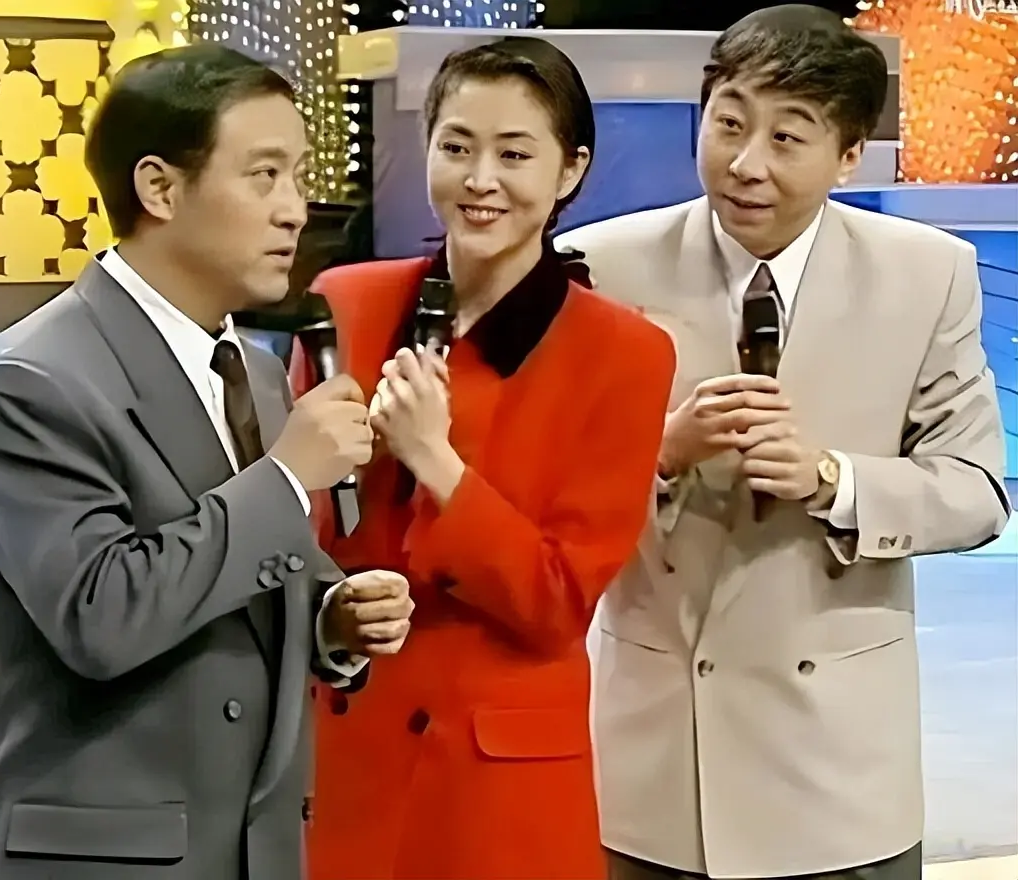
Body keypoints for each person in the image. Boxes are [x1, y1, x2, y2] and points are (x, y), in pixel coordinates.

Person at [556, 7, 1011, 880]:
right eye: (729, 124)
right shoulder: (597, 267)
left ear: (849, 155)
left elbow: (974, 491)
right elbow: (544, 489)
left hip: (840, 776)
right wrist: (660, 451)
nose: (746, 164)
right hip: (654, 770)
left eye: (788, 138)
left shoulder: (928, 273)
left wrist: (834, 480)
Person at [0, 44, 414, 880]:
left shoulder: (256, 374)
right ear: (160, 188)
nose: (294, 210)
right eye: (263, 176)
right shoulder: (38, 380)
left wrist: (330, 621)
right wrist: (285, 478)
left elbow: (238, 589)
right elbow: (100, 616)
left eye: (298, 176)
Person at [290, 37, 676, 880]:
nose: (480, 179)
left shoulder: (625, 354)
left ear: (571, 170)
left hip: (502, 790)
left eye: (514, 154)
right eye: (457, 146)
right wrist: (333, 617)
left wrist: (437, 462)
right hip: (347, 759)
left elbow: (557, 602)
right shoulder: (347, 304)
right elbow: (298, 538)